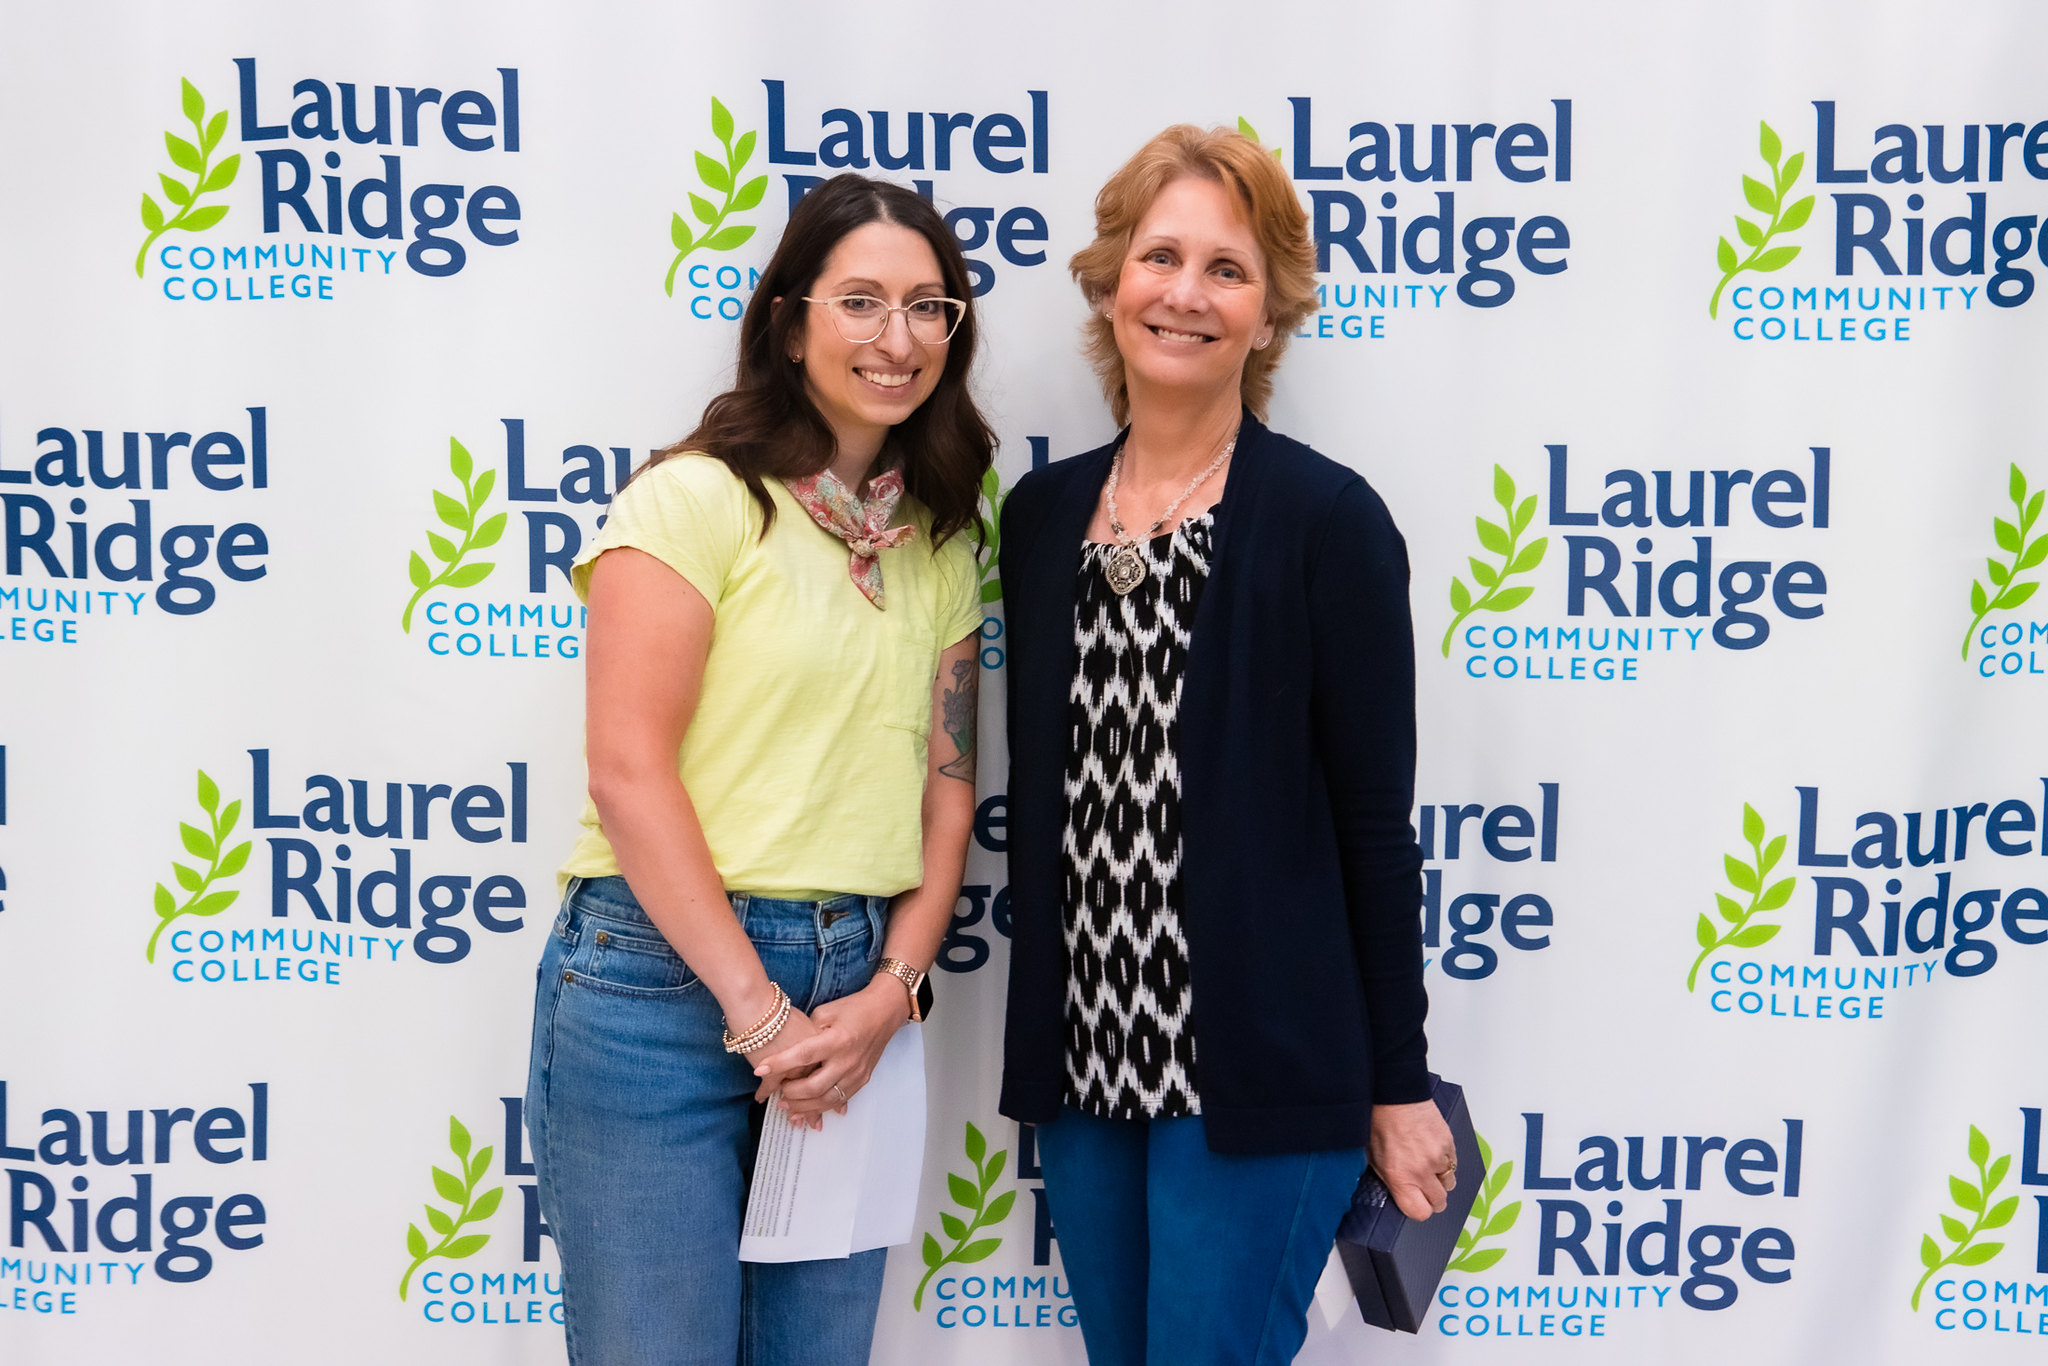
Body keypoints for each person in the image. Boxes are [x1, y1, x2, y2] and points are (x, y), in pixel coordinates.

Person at [997, 125, 1456, 1364]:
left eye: (1227, 269)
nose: (1185, 294)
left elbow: (1371, 826)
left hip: (1257, 1072)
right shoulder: (1040, 521)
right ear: (1108, 285)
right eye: (1160, 257)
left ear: (1268, 315)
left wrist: (1398, 1081)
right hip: (1088, 1062)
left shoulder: (1326, 519)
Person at [524, 173, 990, 1366]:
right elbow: (627, 772)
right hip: (659, 990)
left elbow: (948, 789)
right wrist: (759, 1014)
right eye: (861, 302)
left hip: (851, 992)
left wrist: (891, 993)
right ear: (789, 324)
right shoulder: (689, 500)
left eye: (927, 306)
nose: (897, 338)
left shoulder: (938, 538)